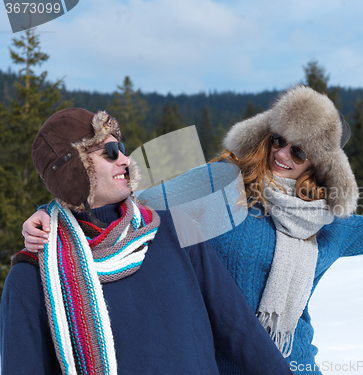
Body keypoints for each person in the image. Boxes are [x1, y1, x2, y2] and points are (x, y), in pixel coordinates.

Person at [21, 86, 363, 375]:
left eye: (299, 152)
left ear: (318, 163)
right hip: (216, 365)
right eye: (279, 140)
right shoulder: (222, 190)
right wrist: (50, 211)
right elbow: (124, 199)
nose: (283, 154)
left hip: (291, 366)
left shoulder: (329, 228)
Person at [0, 108, 295, 375]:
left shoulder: (173, 229)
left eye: (123, 148)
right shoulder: (33, 276)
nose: (126, 160)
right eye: (110, 151)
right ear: (73, 168)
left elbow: (240, 329)